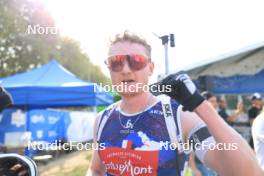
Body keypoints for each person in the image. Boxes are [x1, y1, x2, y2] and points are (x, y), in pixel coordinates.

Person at [87, 31, 262, 176]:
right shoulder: (102, 120)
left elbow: (249, 173)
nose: (125, 69)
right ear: (108, 68)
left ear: (151, 68)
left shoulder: (178, 116)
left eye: (135, 61)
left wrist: (199, 104)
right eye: (115, 62)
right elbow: (95, 169)